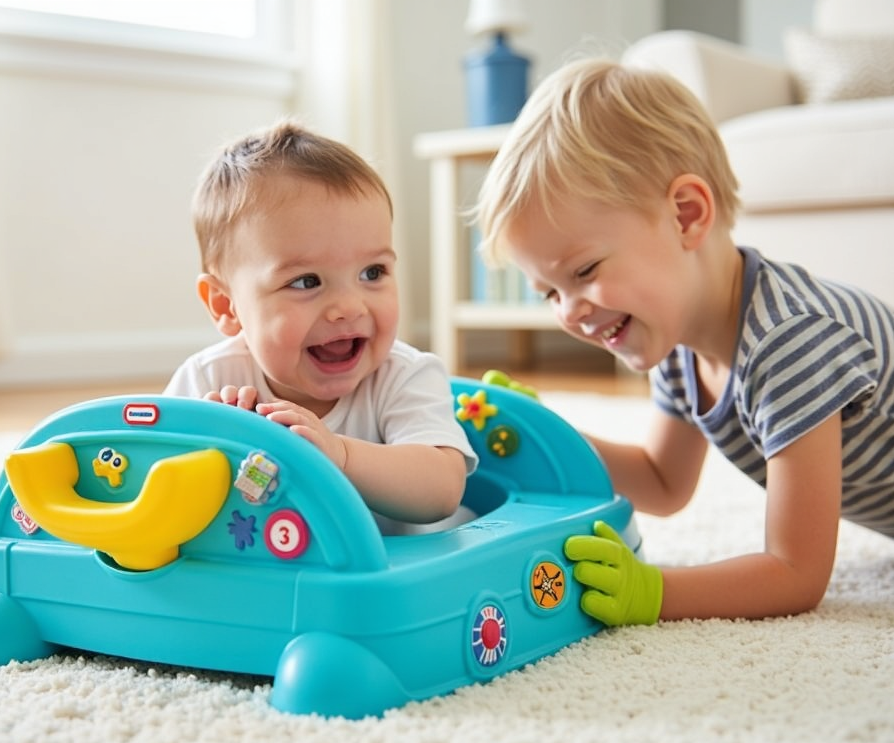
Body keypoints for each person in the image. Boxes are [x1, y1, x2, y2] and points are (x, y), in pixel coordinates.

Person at [474, 57, 894, 626]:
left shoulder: (790, 343)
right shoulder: (677, 340)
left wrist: (655, 594)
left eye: (585, 270)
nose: (570, 312)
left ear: (686, 215)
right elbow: (663, 481)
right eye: (548, 293)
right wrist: (546, 430)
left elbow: (796, 573)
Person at [165, 120, 477, 534]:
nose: (349, 306)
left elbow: (441, 489)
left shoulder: (404, 377)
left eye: (373, 272)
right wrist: (210, 443)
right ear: (227, 305)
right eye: (306, 281)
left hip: (403, 580)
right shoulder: (208, 380)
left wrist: (339, 454)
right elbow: (151, 480)